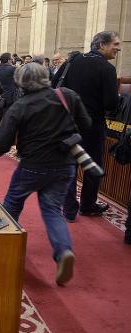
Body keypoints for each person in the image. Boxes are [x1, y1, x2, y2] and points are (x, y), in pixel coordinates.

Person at [0, 63, 92, 286]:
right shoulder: (67, 95)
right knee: (53, 210)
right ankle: (63, 251)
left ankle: (2, 249)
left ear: (20, 82)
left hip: (32, 166)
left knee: (12, 204)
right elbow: (87, 124)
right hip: (65, 164)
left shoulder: (20, 106)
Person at [53, 31, 121, 220]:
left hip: (66, 123)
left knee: (69, 165)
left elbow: (53, 85)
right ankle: (88, 205)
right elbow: (110, 103)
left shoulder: (71, 61)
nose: (119, 48)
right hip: (92, 125)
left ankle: (69, 210)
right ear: (102, 45)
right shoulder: (107, 69)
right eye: (115, 44)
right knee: (92, 166)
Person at [0, 52, 18, 136]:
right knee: (7, 121)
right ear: (8, 60)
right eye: (11, 59)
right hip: (9, 99)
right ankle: (5, 139)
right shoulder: (13, 69)